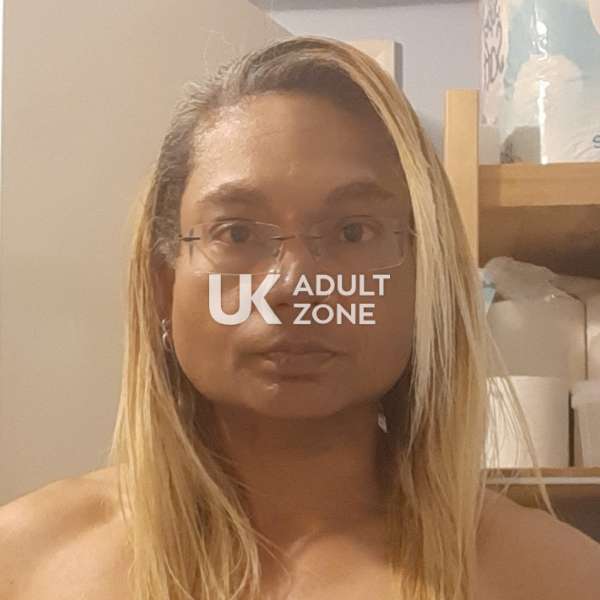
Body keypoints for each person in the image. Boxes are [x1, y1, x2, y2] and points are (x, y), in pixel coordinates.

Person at [1, 35, 599, 600]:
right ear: (164, 286)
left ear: (424, 283)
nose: (294, 285)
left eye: (352, 231)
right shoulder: (26, 564)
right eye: (237, 233)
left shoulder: (555, 578)